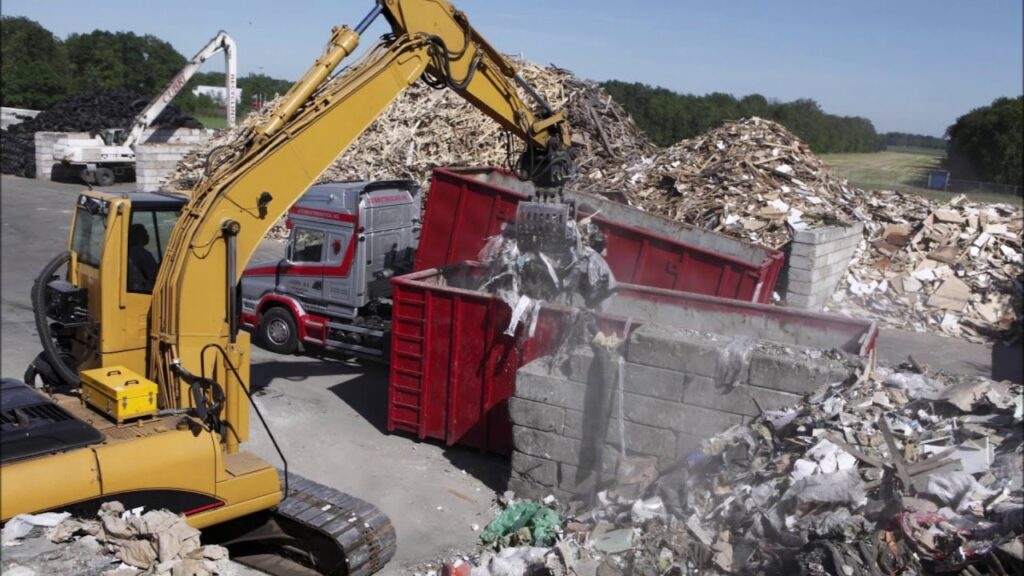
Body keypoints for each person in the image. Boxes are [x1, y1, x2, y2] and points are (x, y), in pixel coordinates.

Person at [128, 223, 159, 291]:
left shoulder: (130, 252)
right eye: (145, 233)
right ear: (138, 236)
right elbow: (156, 276)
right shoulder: (143, 254)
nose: (148, 235)